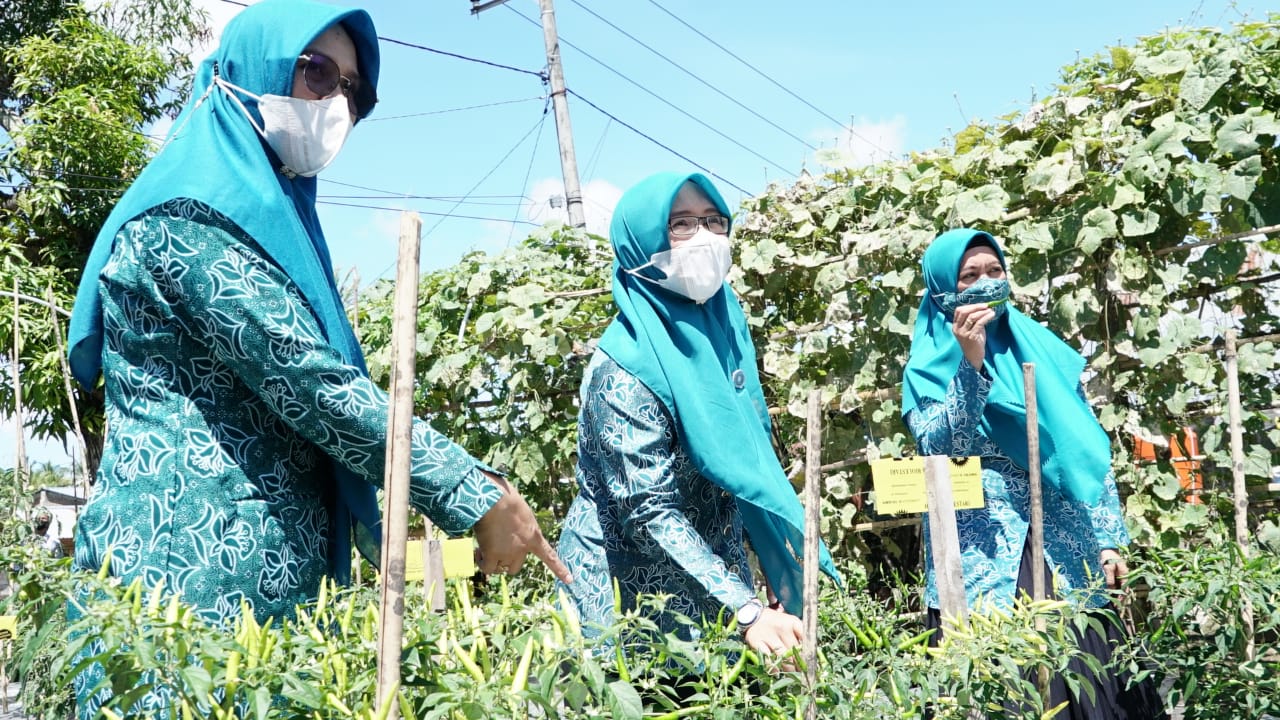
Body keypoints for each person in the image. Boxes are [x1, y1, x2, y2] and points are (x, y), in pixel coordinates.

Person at [65, 0, 568, 714]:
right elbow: (315, 386)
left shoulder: (276, 220)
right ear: (251, 71)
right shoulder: (192, 216)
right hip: (183, 597)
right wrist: (473, 492)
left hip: (263, 604)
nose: (336, 103)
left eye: (353, 92)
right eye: (318, 73)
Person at [556, 171, 839, 669]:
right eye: (681, 224)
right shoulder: (625, 369)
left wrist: (771, 562)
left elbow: (742, 463)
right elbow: (647, 512)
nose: (704, 238)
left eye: (714, 221)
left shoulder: (724, 334)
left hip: (714, 575)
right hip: (629, 594)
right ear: (639, 243)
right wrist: (747, 611)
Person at [901, 228, 1165, 718]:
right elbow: (939, 447)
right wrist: (970, 366)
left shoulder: (1041, 350)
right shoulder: (926, 366)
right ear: (942, 291)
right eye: (969, 276)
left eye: (994, 272)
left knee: (1084, 676)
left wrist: (1108, 537)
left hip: (1064, 544)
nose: (985, 284)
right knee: (1003, 682)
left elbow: (1081, 445)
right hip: (983, 552)